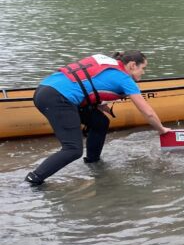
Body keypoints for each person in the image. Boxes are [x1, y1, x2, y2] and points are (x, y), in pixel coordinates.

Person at [25, 51, 171, 186]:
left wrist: (98, 103)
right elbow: (148, 112)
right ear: (132, 65)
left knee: (100, 122)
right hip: (57, 99)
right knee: (73, 149)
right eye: (143, 68)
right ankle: (33, 179)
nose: (143, 72)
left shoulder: (107, 62)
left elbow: (89, 82)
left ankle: (93, 162)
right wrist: (161, 129)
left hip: (45, 89)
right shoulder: (124, 79)